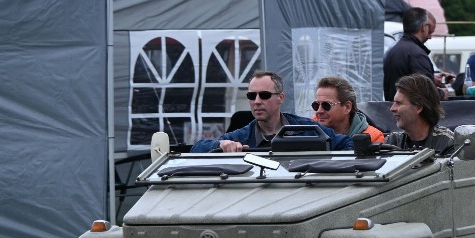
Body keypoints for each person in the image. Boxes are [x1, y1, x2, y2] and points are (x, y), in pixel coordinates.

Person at [191, 71, 352, 152]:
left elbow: (349, 145)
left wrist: (322, 167)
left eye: (265, 95)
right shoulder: (241, 136)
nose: (257, 101)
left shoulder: (307, 129)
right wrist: (220, 144)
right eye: (251, 96)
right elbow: (196, 149)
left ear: (281, 98)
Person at [385, 74, 456, 155]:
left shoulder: (447, 143)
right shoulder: (393, 141)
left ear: (418, 108)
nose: (392, 108)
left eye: (398, 103)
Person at [383, 7, 436, 100]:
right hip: (410, 111)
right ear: (423, 27)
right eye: (430, 31)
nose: (430, 37)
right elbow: (426, 92)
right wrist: (442, 93)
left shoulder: (393, 50)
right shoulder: (416, 54)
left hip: (392, 109)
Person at [312, 76, 385, 142]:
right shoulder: (307, 132)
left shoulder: (372, 138)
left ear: (347, 107)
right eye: (316, 105)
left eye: (326, 105)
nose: (319, 111)